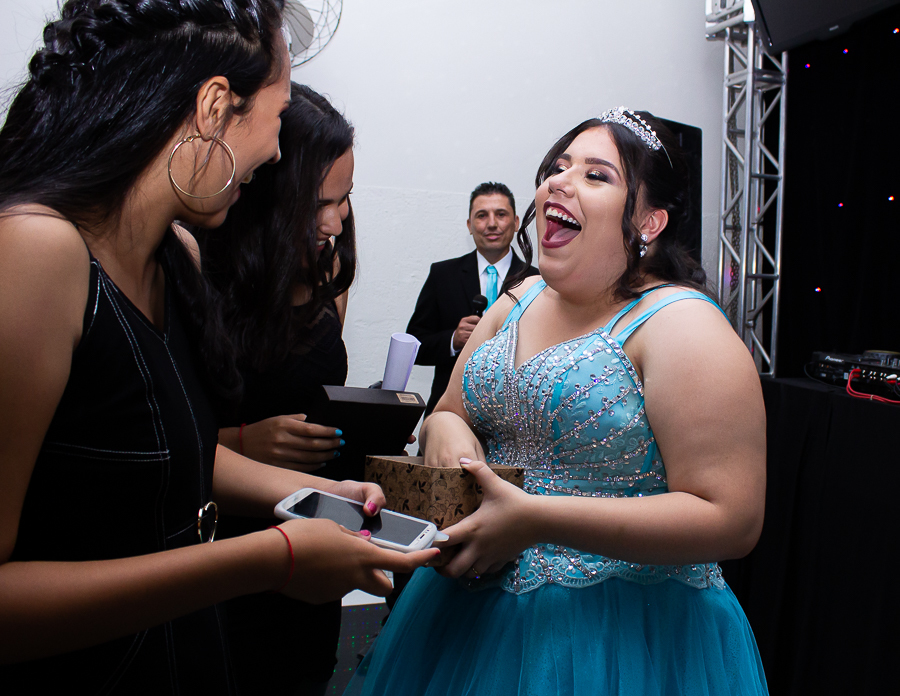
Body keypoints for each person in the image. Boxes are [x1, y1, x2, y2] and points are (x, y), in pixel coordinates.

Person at [0, 2, 435, 693]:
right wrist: (274, 558)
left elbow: (177, 460)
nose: (274, 152)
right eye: (278, 111)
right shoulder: (35, 252)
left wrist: (320, 493)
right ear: (213, 107)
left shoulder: (178, 254)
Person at [346, 108, 769, 695]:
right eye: (558, 167)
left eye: (597, 175)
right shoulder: (516, 301)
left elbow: (732, 518)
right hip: (466, 617)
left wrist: (535, 518)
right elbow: (445, 409)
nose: (559, 183)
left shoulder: (682, 326)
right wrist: (449, 435)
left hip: (619, 638)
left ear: (650, 221)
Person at [198, 83, 359, 695]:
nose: (338, 221)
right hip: (223, 550)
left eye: (346, 200)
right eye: (323, 201)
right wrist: (244, 441)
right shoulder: (199, 274)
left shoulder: (325, 270)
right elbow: (159, 442)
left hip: (306, 544)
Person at [406, 182, 539, 417]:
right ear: (469, 225)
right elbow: (415, 346)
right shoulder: (442, 275)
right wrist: (452, 340)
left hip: (514, 419)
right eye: (481, 215)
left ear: (516, 222)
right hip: (449, 412)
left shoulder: (537, 281)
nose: (491, 223)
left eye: (501, 214)